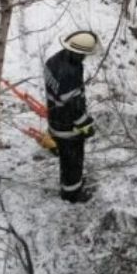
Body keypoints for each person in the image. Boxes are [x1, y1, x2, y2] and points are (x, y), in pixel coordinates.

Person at [44, 30, 100, 203]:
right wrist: (86, 126)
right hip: (67, 126)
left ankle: (70, 184)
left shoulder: (54, 60)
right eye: (83, 54)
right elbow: (74, 107)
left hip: (54, 117)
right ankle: (72, 193)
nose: (84, 58)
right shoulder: (71, 72)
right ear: (77, 53)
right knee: (73, 160)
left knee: (66, 158)